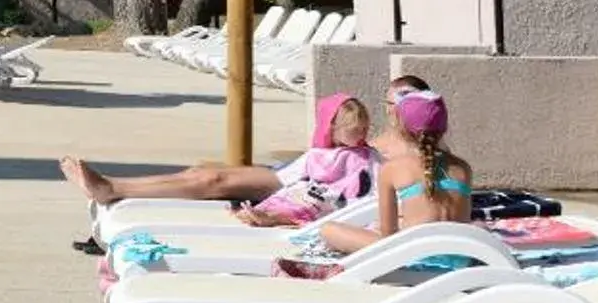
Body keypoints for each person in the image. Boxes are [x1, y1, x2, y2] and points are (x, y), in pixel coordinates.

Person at [61, 91, 376, 219]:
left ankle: (113, 188)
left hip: (298, 186)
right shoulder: (328, 152)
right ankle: (113, 185)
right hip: (294, 175)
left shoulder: (369, 159)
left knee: (211, 179)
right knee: (200, 172)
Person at [315, 86, 471, 255]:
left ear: (401, 129)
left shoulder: (392, 169)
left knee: (328, 229)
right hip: (458, 256)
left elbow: (388, 237)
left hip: (413, 258)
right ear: (444, 127)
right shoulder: (463, 168)